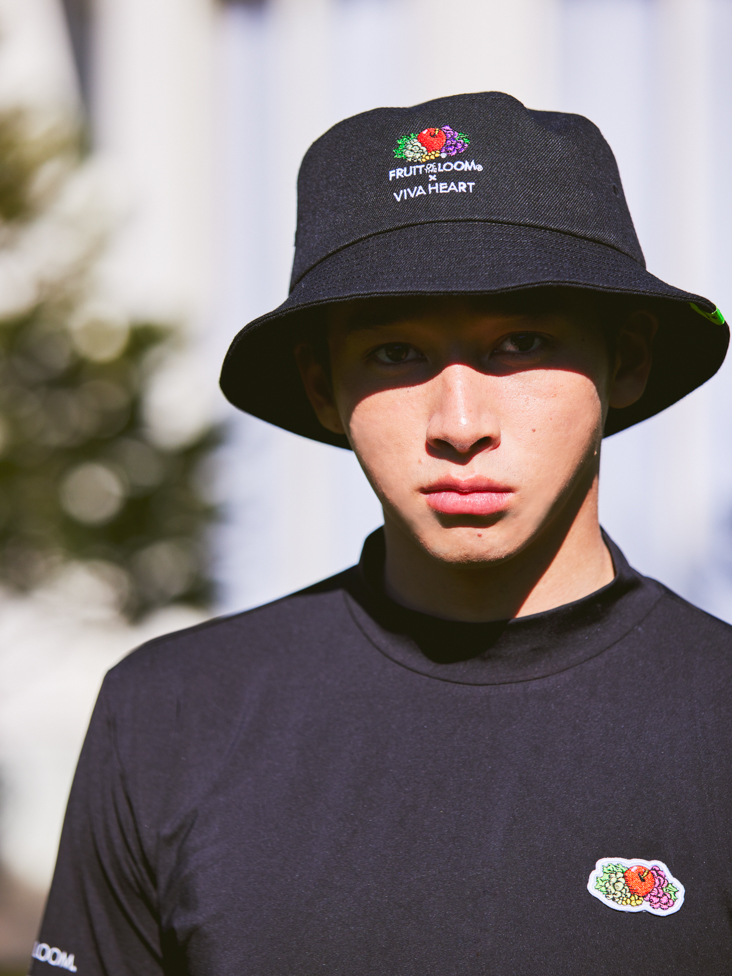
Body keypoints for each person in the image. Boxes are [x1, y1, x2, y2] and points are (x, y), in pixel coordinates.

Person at [30, 92, 732, 975]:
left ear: (624, 360)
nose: (460, 422)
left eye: (519, 341)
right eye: (396, 353)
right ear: (322, 388)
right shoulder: (171, 715)